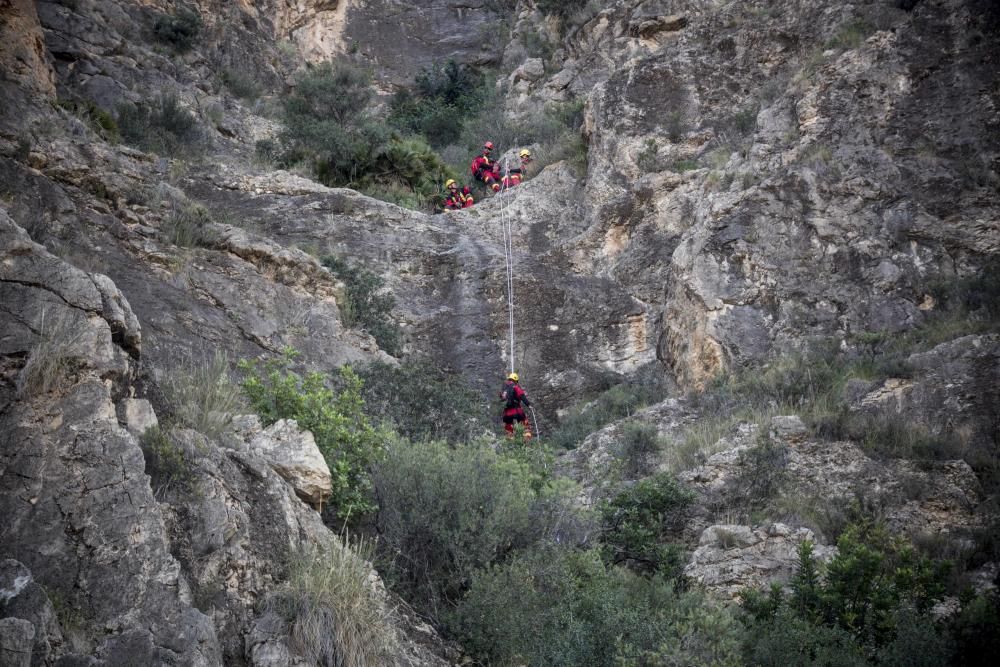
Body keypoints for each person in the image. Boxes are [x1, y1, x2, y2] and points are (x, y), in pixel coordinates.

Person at [499, 372, 532, 438]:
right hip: (517, 411)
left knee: (508, 429)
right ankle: (527, 440)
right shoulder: (516, 387)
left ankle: (510, 441)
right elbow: (522, 396)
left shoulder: (505, 389)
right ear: (516, 381)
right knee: (525, 425)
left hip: (507, 413)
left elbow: (502, 398)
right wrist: (529, 405)